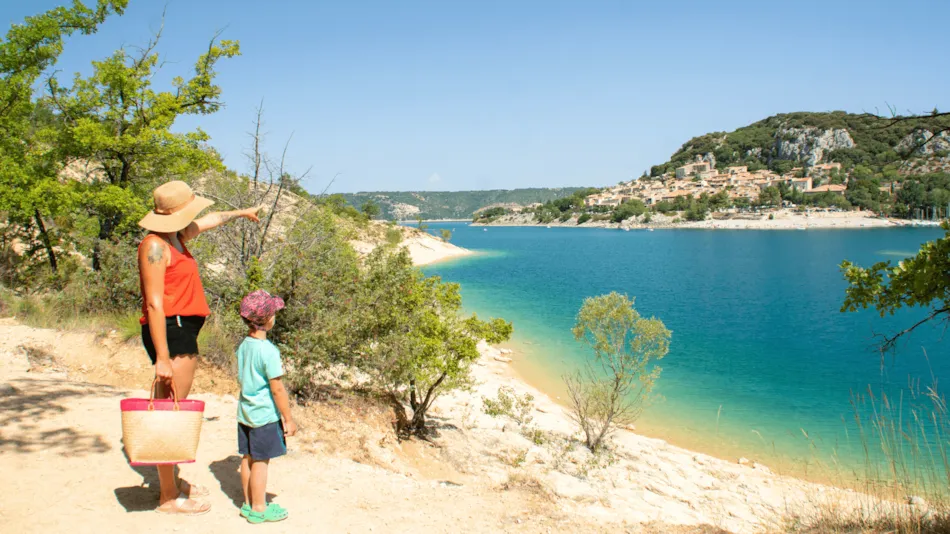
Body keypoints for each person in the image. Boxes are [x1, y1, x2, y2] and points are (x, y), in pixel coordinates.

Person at [137, 180, 262, 515]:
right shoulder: (154, 246)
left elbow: (212, 219)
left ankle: (172, 483)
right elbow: (153, 304)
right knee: (171, 414)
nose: (196, 217)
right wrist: (162, 358)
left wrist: (242, 213)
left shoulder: (175, 237)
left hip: (182, 329)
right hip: (171, 331)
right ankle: (167, 496)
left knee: (173, 408)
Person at [236, 289, 297, 524]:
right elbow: (277, 388)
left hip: (245, 412)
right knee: (261, 461)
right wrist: (288, 418)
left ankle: (248, 503)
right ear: (268, 319)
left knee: (247, 457)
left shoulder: (245, 345)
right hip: (263, 415)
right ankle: (260, 507)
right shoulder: (269, 351)